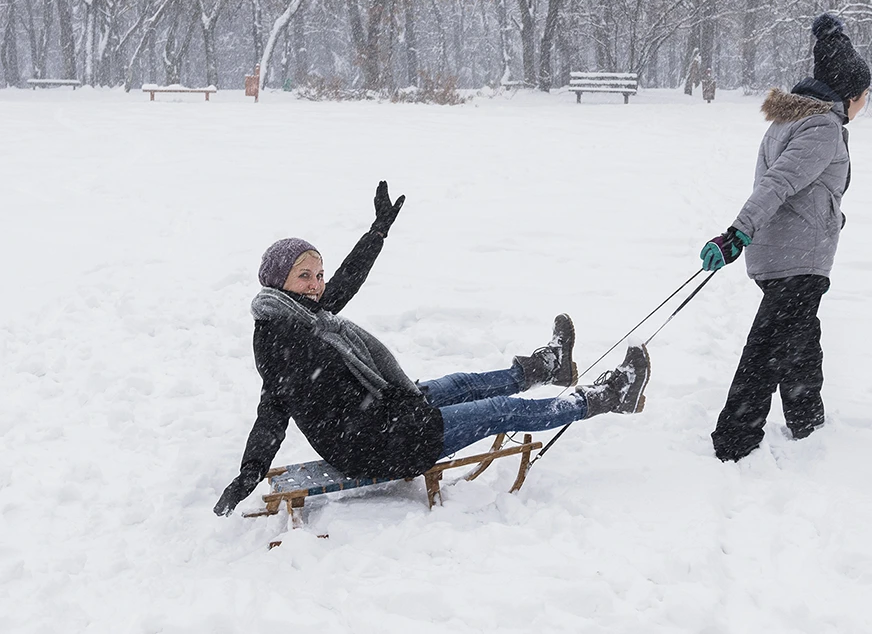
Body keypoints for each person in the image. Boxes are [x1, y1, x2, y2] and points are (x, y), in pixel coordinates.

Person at [213, 181, 651, 516]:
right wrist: (249, 474)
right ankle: (607, 397)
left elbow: (345, 281)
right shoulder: (282, 337)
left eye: (318, 274)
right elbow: (272, 411)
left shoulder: (304, 314)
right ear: (279, 282)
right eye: (305, 275)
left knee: (459, 382)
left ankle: (546, 368)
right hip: (377, 442)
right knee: (501, 410)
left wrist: (377, 231)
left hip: (383, 411)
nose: (317, 284)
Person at [700, 14, 871, 462]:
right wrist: (736, 233)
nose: (866, 103)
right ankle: (735, 439)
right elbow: (776, 184)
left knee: (799, 338)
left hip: (787, 251)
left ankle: (807, 418)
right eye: (865, 95)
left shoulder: (790, 121)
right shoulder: (822, 128)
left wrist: (830, 217)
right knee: (768, 348)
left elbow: (805, 190)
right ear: (850, 94)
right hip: (796, 259)